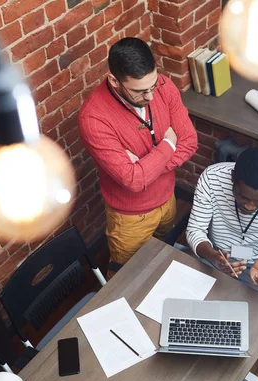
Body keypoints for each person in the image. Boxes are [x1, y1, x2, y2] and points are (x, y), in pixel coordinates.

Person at [78, 38, 198, 278]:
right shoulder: (93, 118)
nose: (151, 96)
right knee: (126, 277)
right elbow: (132, 182)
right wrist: (167, 144)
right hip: (131, 217)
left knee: (161, 260)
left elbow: (190, 142)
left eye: (152, 85)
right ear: (114, 81)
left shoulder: (163, 86)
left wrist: (145, 168)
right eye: (140, 91)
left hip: (168, 200)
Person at [185, 147, 258, 290]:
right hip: (212, 254)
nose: (249, 206)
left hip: (255, 269)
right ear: (232, 178)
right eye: (243, 197)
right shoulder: (212, 178)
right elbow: (195, 229)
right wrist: (213, 257)